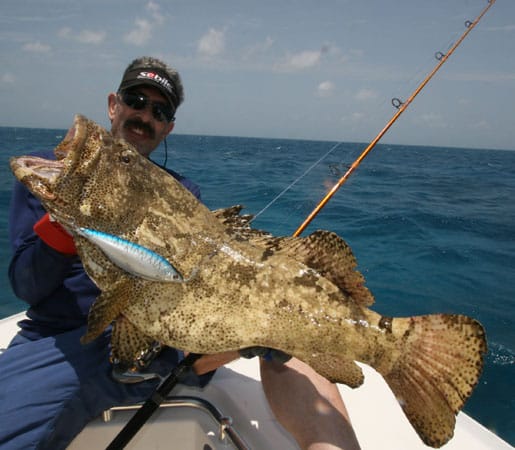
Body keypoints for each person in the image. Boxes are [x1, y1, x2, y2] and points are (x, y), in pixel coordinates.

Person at [0, 56, 360, 450]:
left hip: (167, 339)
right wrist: (65, 218)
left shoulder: (184, 192)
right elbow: (27, 285)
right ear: (113, 105)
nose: (144, 115)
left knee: (287, 326)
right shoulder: (61, 173)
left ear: (168, 126)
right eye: (136, 100)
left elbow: (191, 293)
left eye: (160, 111)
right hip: (66, 340)